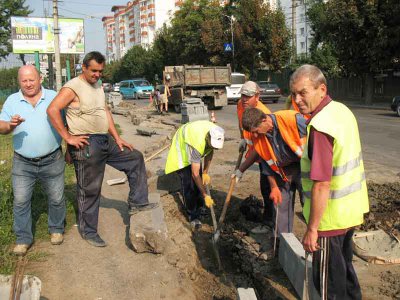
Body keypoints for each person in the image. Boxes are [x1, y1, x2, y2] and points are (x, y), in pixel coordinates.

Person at [47, 51, 157, 248]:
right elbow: (53, 109)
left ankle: (138, 203)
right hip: (87, 143)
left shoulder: (97, 86)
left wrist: (118, 138)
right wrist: (68, 138)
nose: (98, 75)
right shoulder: (72, 87)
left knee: (135, 158)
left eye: (100, 71)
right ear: (84, 68)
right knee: (90, 189)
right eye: (94, 71)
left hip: (105, 139)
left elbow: (104, 111)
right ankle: (88, 231)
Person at [291, 64, 369, 299]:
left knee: (328, 286)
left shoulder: (321, 127)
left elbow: (322, 184)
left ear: (321, 89)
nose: (297, 99)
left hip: (330, 219)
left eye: (303, 92)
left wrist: (313, 229)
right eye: (293, 94)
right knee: (344, 273)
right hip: (350, 212)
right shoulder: (341, 110)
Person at [0, 65, 66, 256]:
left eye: (31, 79)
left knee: (56, 197)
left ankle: (56, 229)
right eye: (24, 80)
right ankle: (23, 239)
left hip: (52, 158)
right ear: (19, 81)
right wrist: (10, 125)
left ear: (40, 79)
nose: (28, 84)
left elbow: (67, 121)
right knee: (20, 200)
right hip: (23, 162)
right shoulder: (12, 101)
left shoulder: (54, 96)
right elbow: (2, 126)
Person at [239, 107, 306, 240]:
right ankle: (282, 243)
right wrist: (274, 187)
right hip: (283, 171)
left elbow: (315, 143)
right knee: (280, 207)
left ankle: (318, 241)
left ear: (265, 120)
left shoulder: (292, 119)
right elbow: (266, 161)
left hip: (304, 167)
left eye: (256, 131)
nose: (256, 135)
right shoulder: (259, 136)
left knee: (310, 204)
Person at [164, 120, 224, 229]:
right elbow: (195, 174)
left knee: (198, 180)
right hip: (183, 144)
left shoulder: (215, 132)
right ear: (208, 139)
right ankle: (193, 215)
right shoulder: (197, 144)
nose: (214, 148)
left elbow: (210, 152)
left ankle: (200, 206)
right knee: (189, 183)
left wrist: (205, 172)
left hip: (195, 137)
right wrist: (205, 194)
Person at [233, 80, 273, 233]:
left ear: (257, 96)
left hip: (266, 154)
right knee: (265, 186)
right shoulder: (240, 105)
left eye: (248, 96)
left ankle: (269, 222)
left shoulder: (264, 115)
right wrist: (243, 138)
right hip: (255, 149)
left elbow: (259, 148)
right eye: (243, 95)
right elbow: (240, 122)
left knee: (268, 186)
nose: (244, 99)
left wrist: (241, 169)